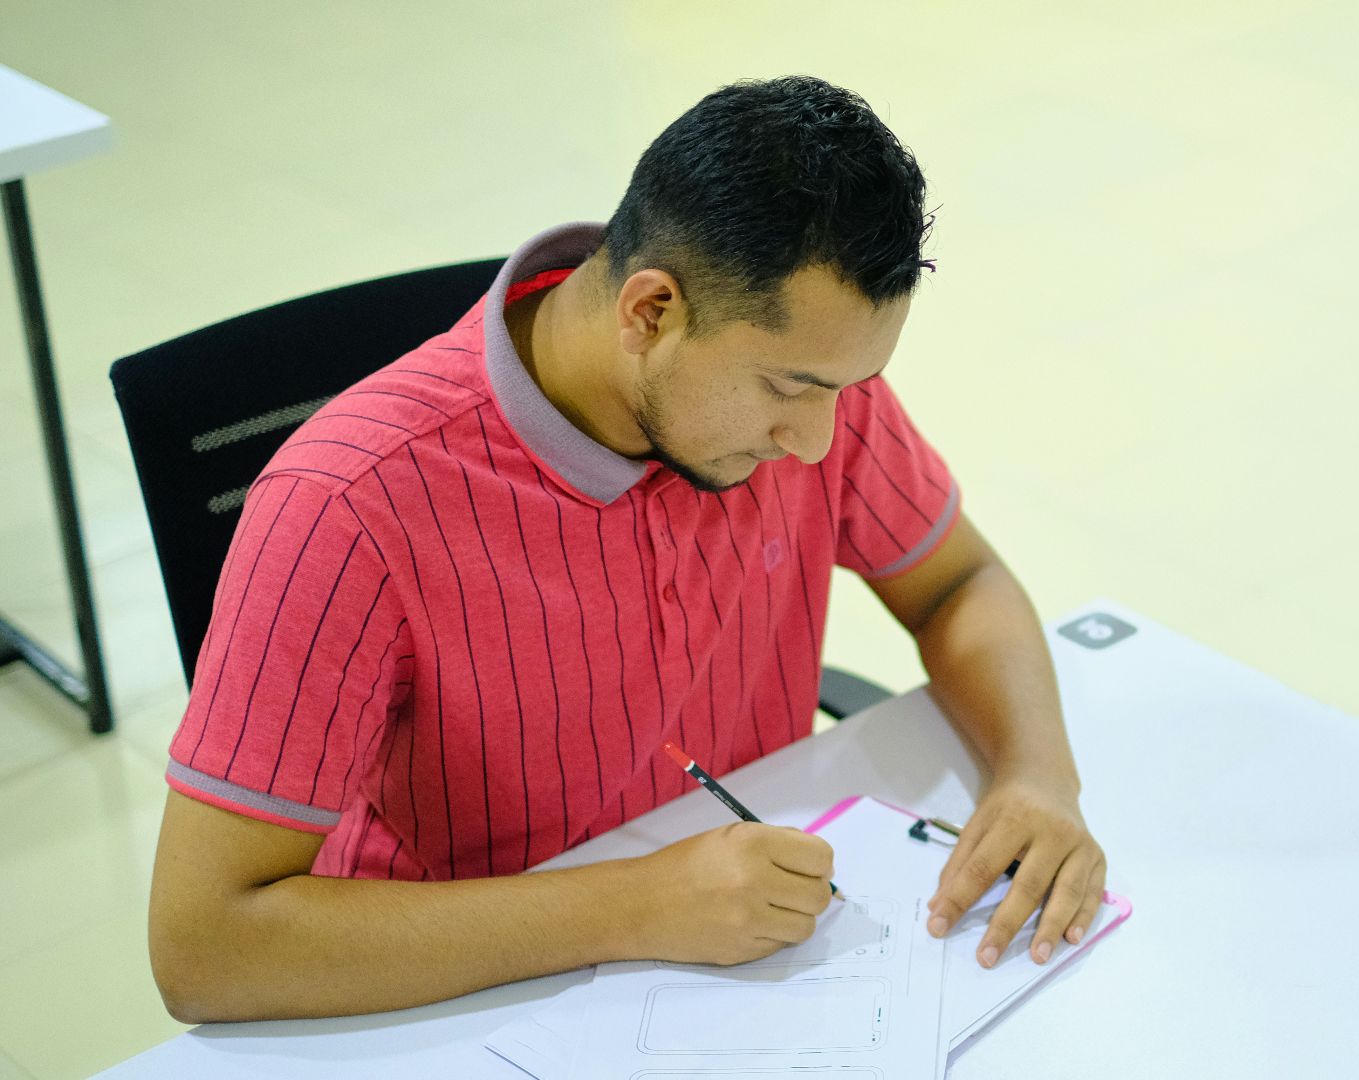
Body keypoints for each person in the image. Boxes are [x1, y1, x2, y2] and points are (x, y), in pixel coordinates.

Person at [147, 75, 1105, 1023]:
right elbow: (204, 947)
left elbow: (958, 583)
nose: (815, 442)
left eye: (845, 389)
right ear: (650, 313)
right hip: (455, 999)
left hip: (746, 958)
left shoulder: (814, 391)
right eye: (787, 389)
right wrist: (637, 906)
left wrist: (1035, 775)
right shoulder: (346, 505)